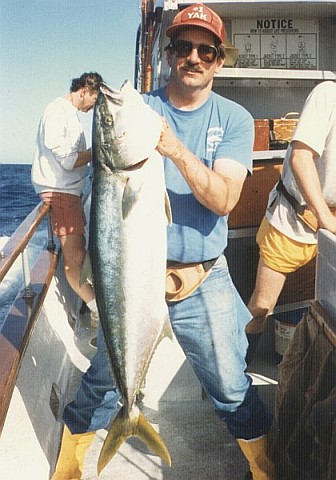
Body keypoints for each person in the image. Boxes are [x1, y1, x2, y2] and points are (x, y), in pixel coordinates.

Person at [51, 5, 274, 479]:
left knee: (230, 385)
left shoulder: (233, 119)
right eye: (181, 47)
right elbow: (103, 173)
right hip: (132, 278)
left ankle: (265, 467)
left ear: (218, 60)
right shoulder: (140, 110)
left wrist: (172, 147)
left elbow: (225, 198)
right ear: (169, 54)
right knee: (103, 379)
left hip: (201, 278)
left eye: (205, 49)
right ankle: (69, 467)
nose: (192, 57)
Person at [246, 80, 336, 363]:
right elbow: (300, 158)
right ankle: (239, 375)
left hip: (331, 226)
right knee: (262, 306)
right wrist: (324, 220)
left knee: (326, 312)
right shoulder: (328, 94)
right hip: (295, 219)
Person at [31, 72, 103, 328]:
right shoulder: (58, 111)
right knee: (74, 261)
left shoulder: (69, 113)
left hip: (70, 194)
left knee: (80, 252)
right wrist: (101, 151)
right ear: (84, 90)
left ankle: (94, 304)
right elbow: (68, 160)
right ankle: (98, 313)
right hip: (61, 194)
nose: (94, 106)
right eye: (95, 99)